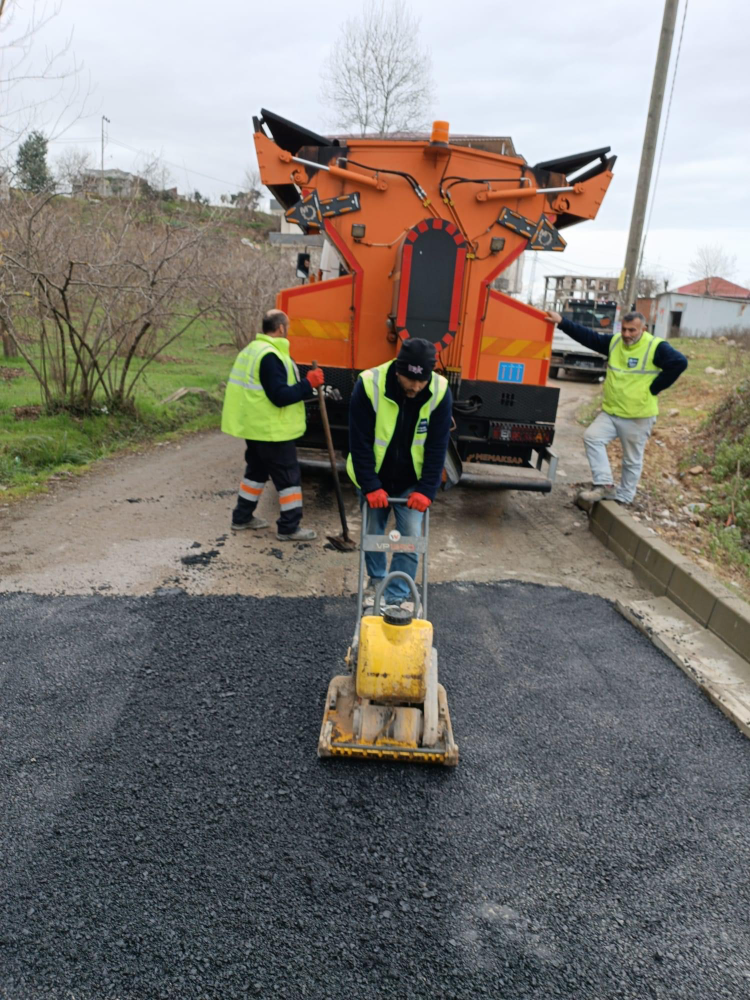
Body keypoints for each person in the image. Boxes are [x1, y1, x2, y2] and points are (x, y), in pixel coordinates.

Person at [347, 338, 453, 612]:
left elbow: (437, 445)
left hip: (412, 481)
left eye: (421, 381)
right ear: (398, 370)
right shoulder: (369, 385)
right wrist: (370, 485)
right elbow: (359, 441)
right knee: (373, 532)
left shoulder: (439, 391)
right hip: (376, 477)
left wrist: (426, 490)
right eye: (410, 380)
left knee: (410, 535)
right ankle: (378, 582)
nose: (416, 387)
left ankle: (396, 594)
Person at [544, 308, 688, 505]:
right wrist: (562, 322)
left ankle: (624, 498)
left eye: (632, 331)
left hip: (638, 415)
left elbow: (680, 362)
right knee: (592, 438)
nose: (627, 335)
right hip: (612, 412)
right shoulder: (614, 343)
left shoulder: (655, 347)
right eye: (624, 330)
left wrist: (655, 387)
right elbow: (588, 337)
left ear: (643, 329)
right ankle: (605, 485)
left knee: (631, 460)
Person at [221, 309, 324, 540]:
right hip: (272, 431)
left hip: (256, 428)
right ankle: (289, 528)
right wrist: (308, 384)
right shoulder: (271, 356)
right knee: (288, 478)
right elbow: (279, 396)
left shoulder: (253, 350)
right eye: (288, 326)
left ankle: (242, 517)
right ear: (280, 328)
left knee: (256, 472)